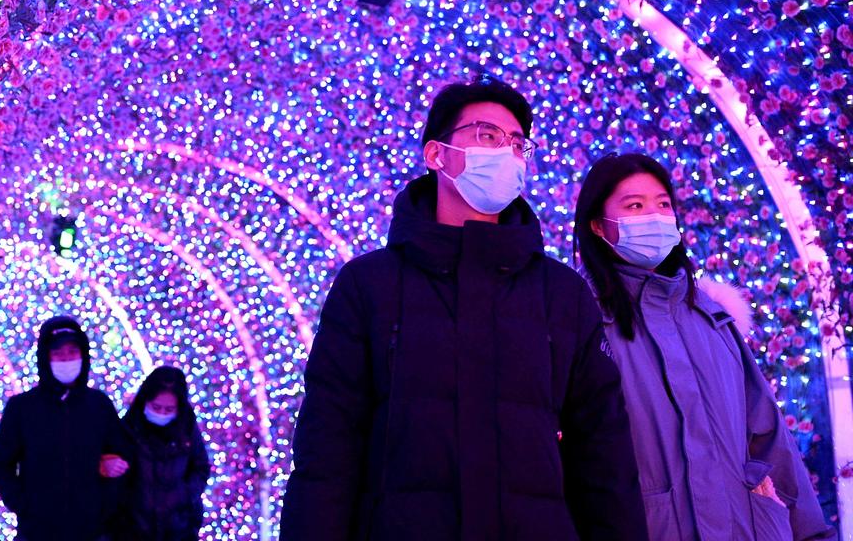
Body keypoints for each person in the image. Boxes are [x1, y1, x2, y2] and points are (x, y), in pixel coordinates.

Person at [279, 77, 648, 541]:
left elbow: (603, 455)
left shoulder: (561, 293)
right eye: (487, 135)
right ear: (437, 155)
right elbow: (327, 452)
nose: (507, 152)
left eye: (517, 144)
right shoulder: (368, 285)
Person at [573, 152, 836, 541]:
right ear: (598, 225)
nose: (655, 216)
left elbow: (768, 438)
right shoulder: (582, 323)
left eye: (663, 204)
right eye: (634, 206)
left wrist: (810, 535)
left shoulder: (712, 318)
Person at [0, 315, 130, 541]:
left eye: (72, 352)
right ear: (46, 357)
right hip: (36, 531)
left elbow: (122, 455)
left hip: (92, 531)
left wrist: (106, 503)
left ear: (83, 355)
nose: (66, 359)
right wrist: (23, 504)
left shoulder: (99, 404)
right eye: (58, 353)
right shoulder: (22, 407)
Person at [115, 366, 211, 541]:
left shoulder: (186, 427)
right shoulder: (129, 428)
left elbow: (201, 467)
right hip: (132, 530)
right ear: (145, 400)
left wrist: (186, 495)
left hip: (179, 530)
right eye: (156, 407)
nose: (161, 414)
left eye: (168, 410)